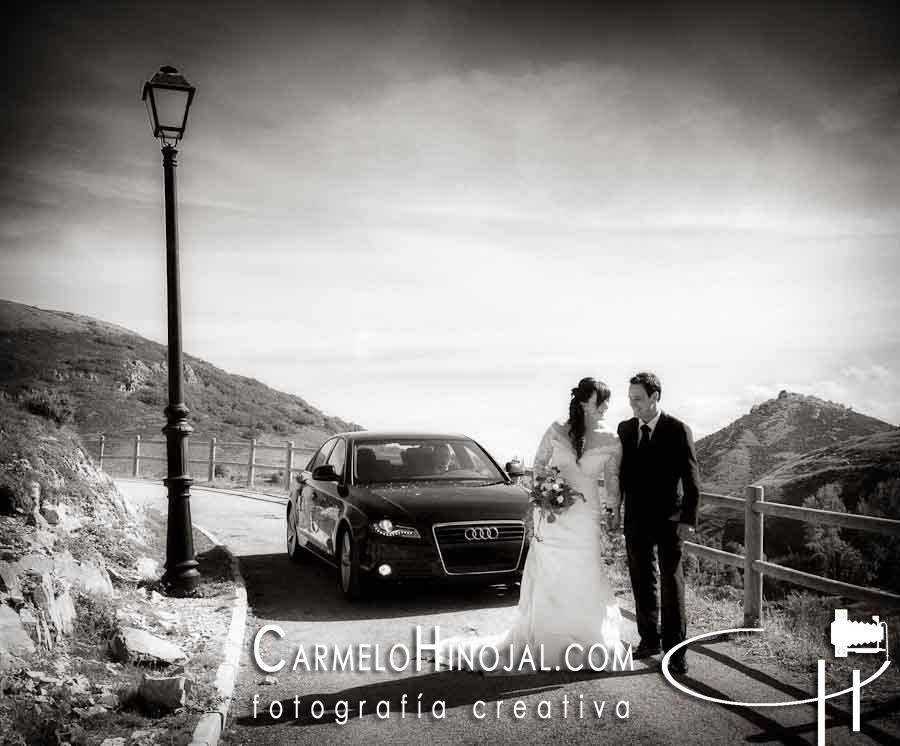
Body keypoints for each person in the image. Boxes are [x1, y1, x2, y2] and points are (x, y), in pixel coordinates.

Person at [437, 377, 627, 674]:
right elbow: (538, 466)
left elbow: (613, 482)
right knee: (551, 573)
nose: (606, 407)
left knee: (584, 571)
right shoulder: (556, 429)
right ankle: (547, 639)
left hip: (585, 516)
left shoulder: (612, 440)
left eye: (607, 402)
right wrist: (547, 494)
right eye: (601, 400)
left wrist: (614, 510)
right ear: (584, 402)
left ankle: (588, 639)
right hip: (553, 515)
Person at [614, 371, 700, 675]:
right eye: (630, 399)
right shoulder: (624, 429)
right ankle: (649, 639)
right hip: (636, 518)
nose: (633, 404)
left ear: (655, 397)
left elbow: (691, 478)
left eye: (638, 399)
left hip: (670, 519)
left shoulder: (678, 429)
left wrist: (688, 518)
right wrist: (617, 508)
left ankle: (676, 652)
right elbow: (621, 474)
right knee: (641, 579)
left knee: (671, 581)